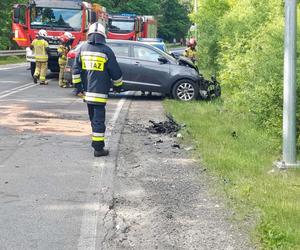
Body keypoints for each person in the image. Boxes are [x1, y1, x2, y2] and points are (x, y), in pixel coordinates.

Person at [72, 22, 123, 157]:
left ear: (89, 35)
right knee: (99, 121)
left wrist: (78, 88)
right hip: (100, 94)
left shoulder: (82, 49)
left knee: (93, 119)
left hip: (87, 93)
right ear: (103, 36)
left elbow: (76, 70)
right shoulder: (106, 50)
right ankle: (98, 149)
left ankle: (97, 144)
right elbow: (115, 72)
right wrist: (118, 86)